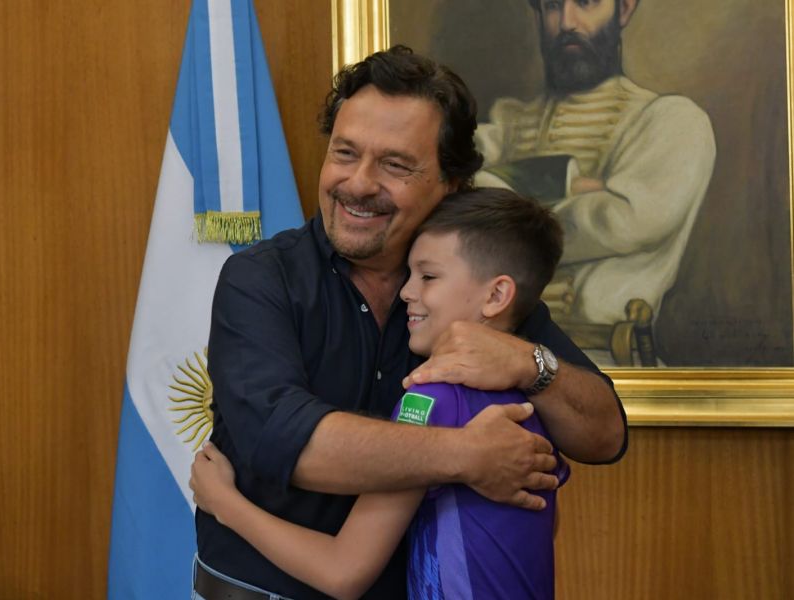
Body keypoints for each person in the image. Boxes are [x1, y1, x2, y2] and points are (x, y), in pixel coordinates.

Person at [192, 45, 626, 600]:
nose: (359, 183)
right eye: (345, 153)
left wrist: (528, 362)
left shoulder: (471, 296)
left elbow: (604, 435)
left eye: (395, 165)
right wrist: (471, 457)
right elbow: (288, 444)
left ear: (452, 184)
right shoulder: (258, 279)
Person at [192, 189, 569, 600]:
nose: (406, 292)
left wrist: (226, 504)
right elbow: (543, 526)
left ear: (496, 296)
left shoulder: (430, 400)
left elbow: (343, 572)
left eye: (428, 276)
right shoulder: (528, 400)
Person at [475, 0, 716, 362]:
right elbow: (460, 193)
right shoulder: (505, 124)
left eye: (586, 3)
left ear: (624, 10)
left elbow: (625, 221)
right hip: (492, 356)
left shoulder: (673, 122)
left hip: (605, 363)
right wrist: (577, 184)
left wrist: (503, 191)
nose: (567, 22)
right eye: (553, 6)